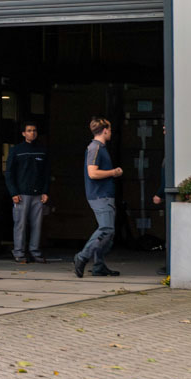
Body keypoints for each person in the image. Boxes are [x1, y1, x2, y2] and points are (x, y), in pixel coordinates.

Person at [74, 116, 123, 278]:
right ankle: (82, 257)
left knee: (108, 233)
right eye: (109, 129)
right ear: (105, 130)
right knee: (106, 229)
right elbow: (92, 173)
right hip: (100, 195)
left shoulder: (99, 148)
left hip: (104, 195)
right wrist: (113, 172)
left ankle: (99, 266)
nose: (111, 132)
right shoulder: (95, 148)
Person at [5, 121, 50, 263]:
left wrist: (45, 191)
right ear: (23, 133)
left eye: (34, 130)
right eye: (29, 130)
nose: (32, 133)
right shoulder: (16, 150)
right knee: (20, 224)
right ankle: (19, 252)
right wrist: (13, 192)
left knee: (37, 225)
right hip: (21, 194)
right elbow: (9, 173)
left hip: (38, 194)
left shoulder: (42, 150)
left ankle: (34, 251)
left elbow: (46, 173)